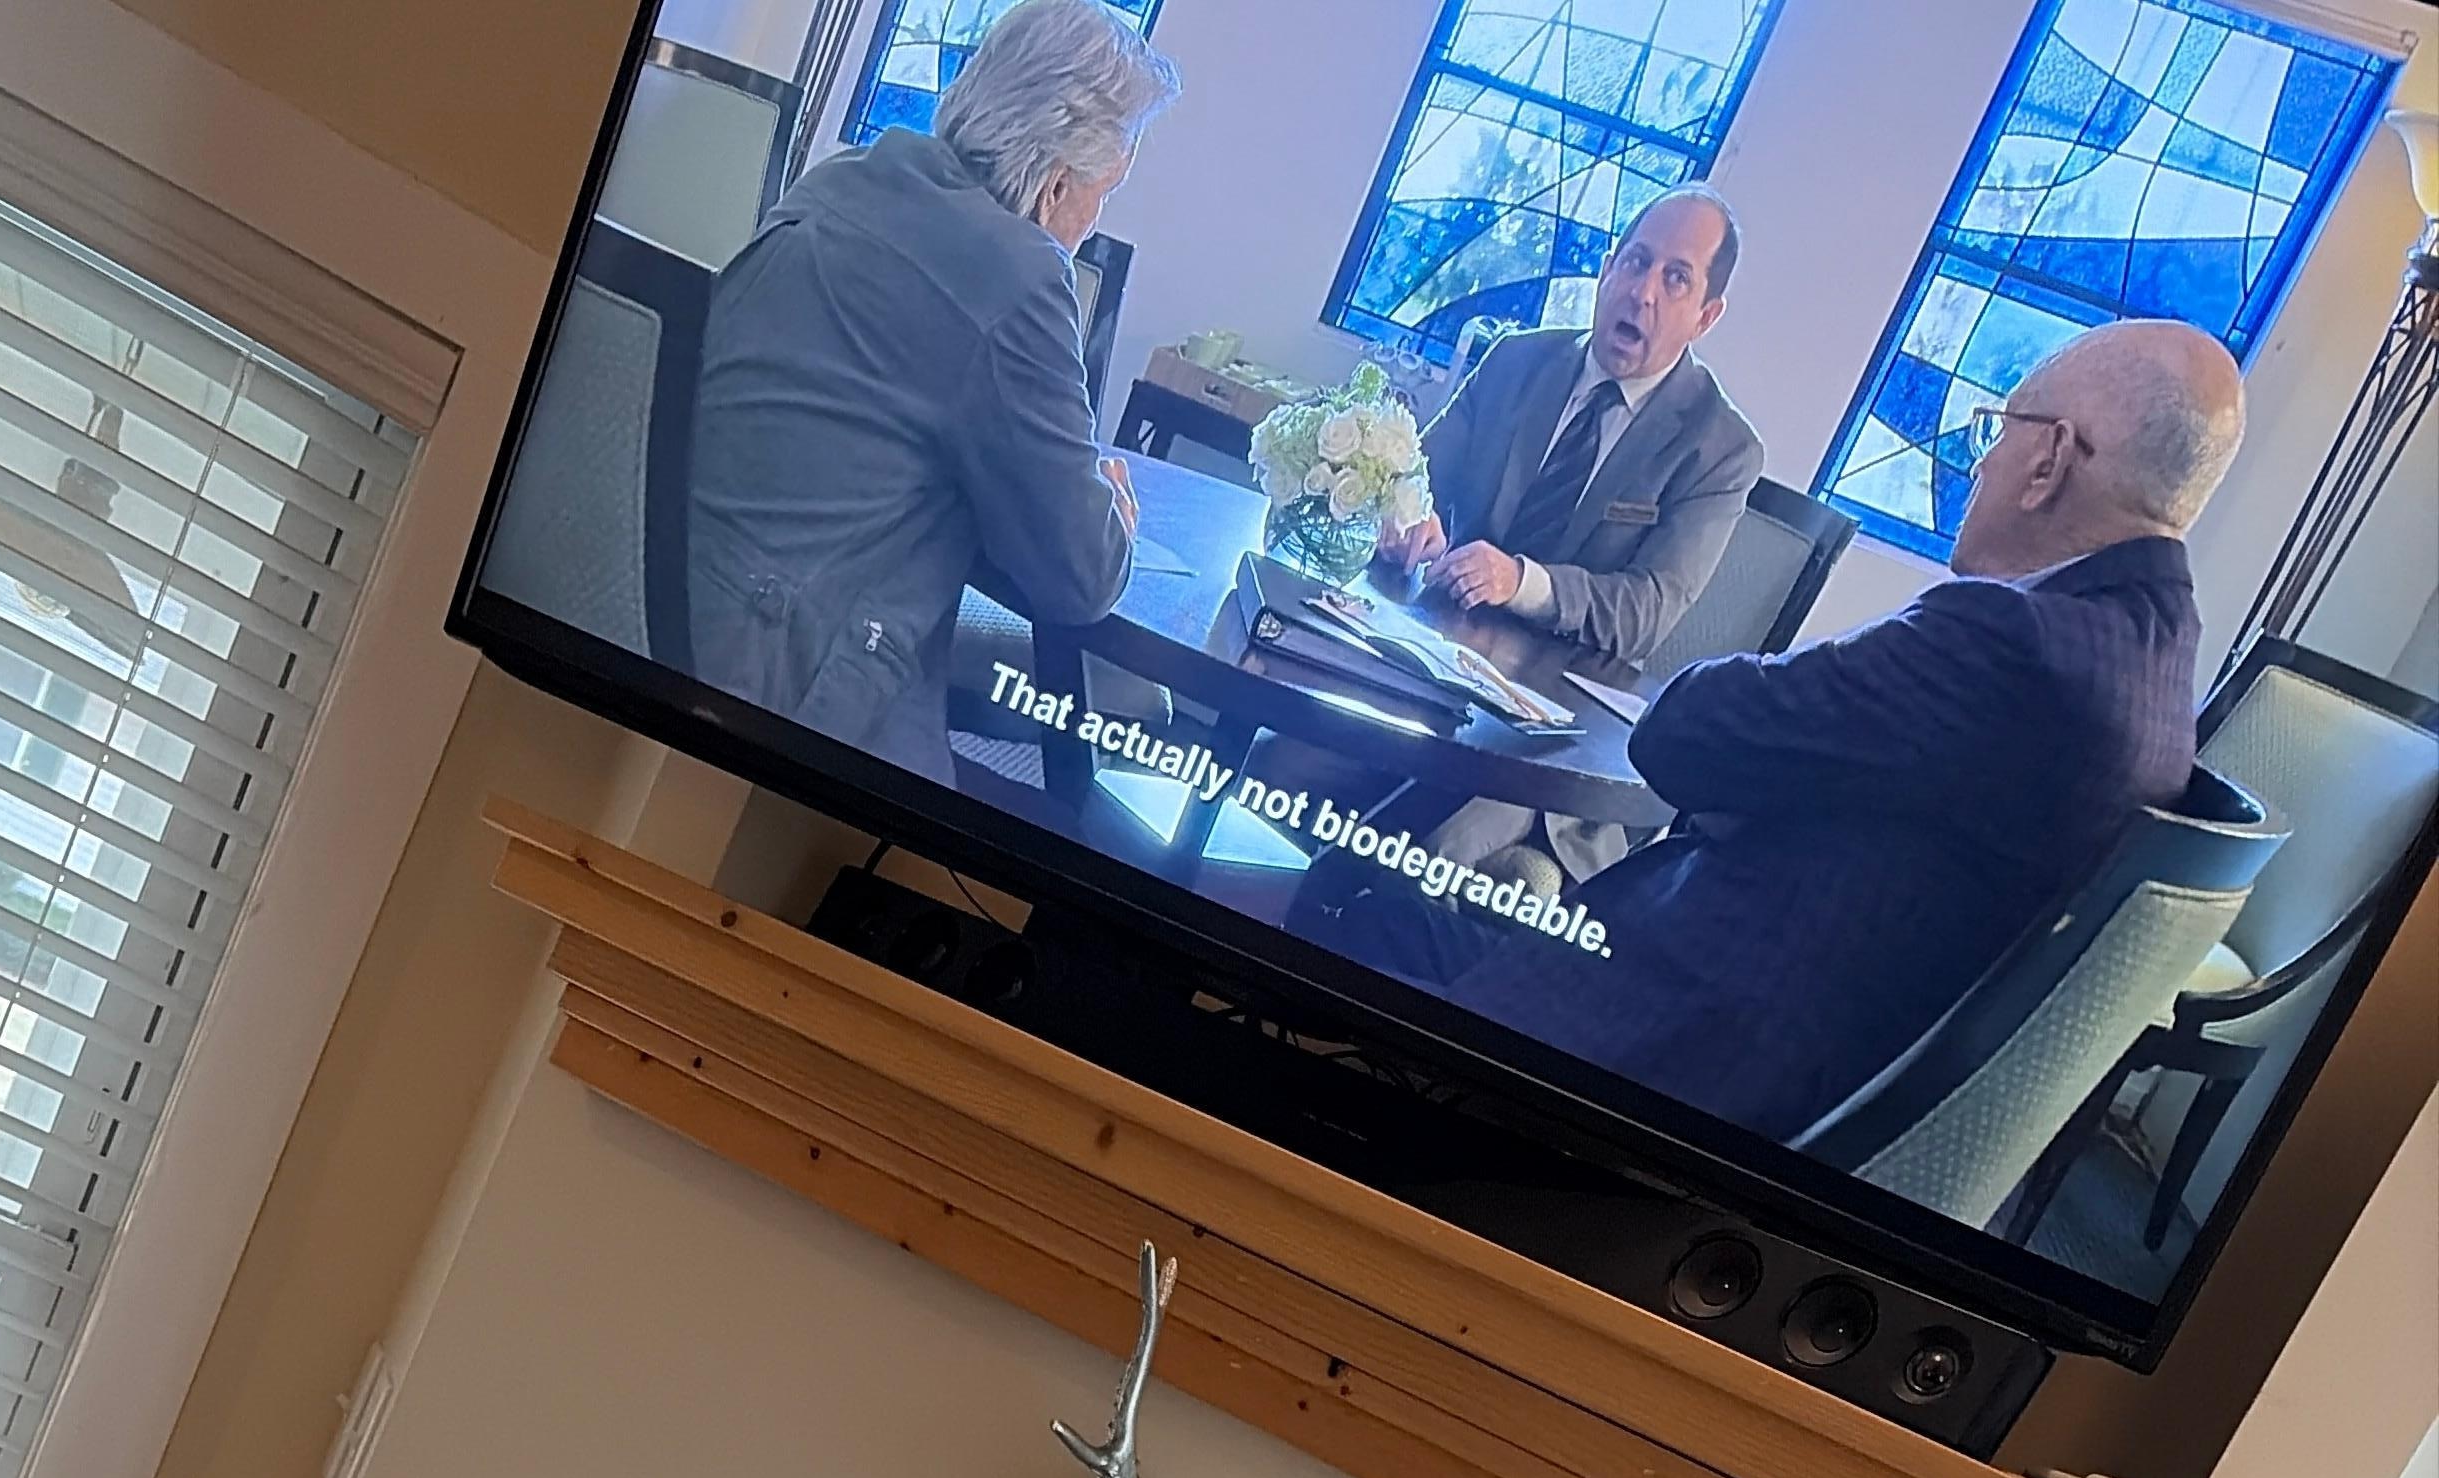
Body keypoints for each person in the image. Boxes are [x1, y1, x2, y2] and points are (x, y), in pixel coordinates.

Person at [1297, 317, 2245, 1146]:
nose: (1983, 462)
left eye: (1996, 431)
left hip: (1669, 1055)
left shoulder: (2007, 640)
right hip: (1778, 1047)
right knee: (1384, 895)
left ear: (2051, 461)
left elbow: (1683, 733)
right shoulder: (2156, 662)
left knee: (1339, 907)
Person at [688, 0, 1180, 784]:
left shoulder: (847, 177)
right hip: (784, 679)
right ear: (1057, 183)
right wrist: (1114, 513)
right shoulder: (1019, 275)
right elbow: (1079, 578)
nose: (1094, 220)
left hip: (675, 589)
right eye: (1106, 191)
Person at [1383, 197, 1764, 676]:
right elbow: (1416, 477)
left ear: (1705, 317)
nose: (1643, 292)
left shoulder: (1722, 450)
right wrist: (1408, 519)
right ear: (1606, 272)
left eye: (1676, 279)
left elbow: (1646, 612)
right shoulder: (1514, 360)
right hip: (1436, 638)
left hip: (1563, 686)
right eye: (1637, 262)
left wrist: (1519, 581)